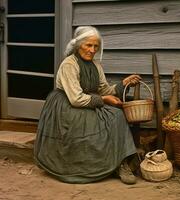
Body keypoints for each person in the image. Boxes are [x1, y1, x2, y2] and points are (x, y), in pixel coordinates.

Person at [34, 26, 141, 185]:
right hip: (66, 106)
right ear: (78, 45)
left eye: (95, 46)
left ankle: (120, 163)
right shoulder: (69, 64)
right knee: (96, 121)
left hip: (86, 101)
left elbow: (104, 89)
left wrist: (123, 83)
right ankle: (96, 166)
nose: (92, 50)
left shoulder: (96, 65)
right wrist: (104, 100)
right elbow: (76, 99)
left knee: (117, 115)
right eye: (88, 45)